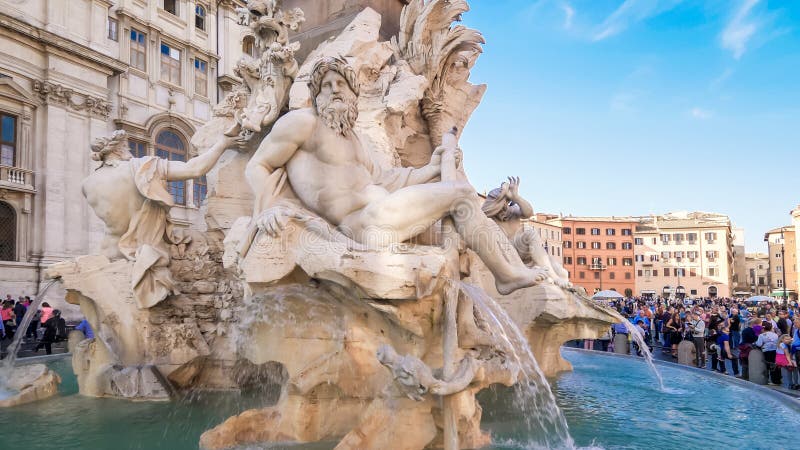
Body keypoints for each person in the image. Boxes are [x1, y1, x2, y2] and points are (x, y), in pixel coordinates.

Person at [244, 56, 549, 296]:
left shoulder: (355, 140)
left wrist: (429, 169)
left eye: (341, 84)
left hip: (382, 217)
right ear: (316, 95)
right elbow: (257, 165)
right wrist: (268, 206)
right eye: (327, 85)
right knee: (460, 194)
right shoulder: (302, 123)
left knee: (458, 194)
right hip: (361, 226)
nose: (335, 89)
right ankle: (507, 277)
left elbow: (387, 181)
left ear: (353, 93)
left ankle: (501, 276)